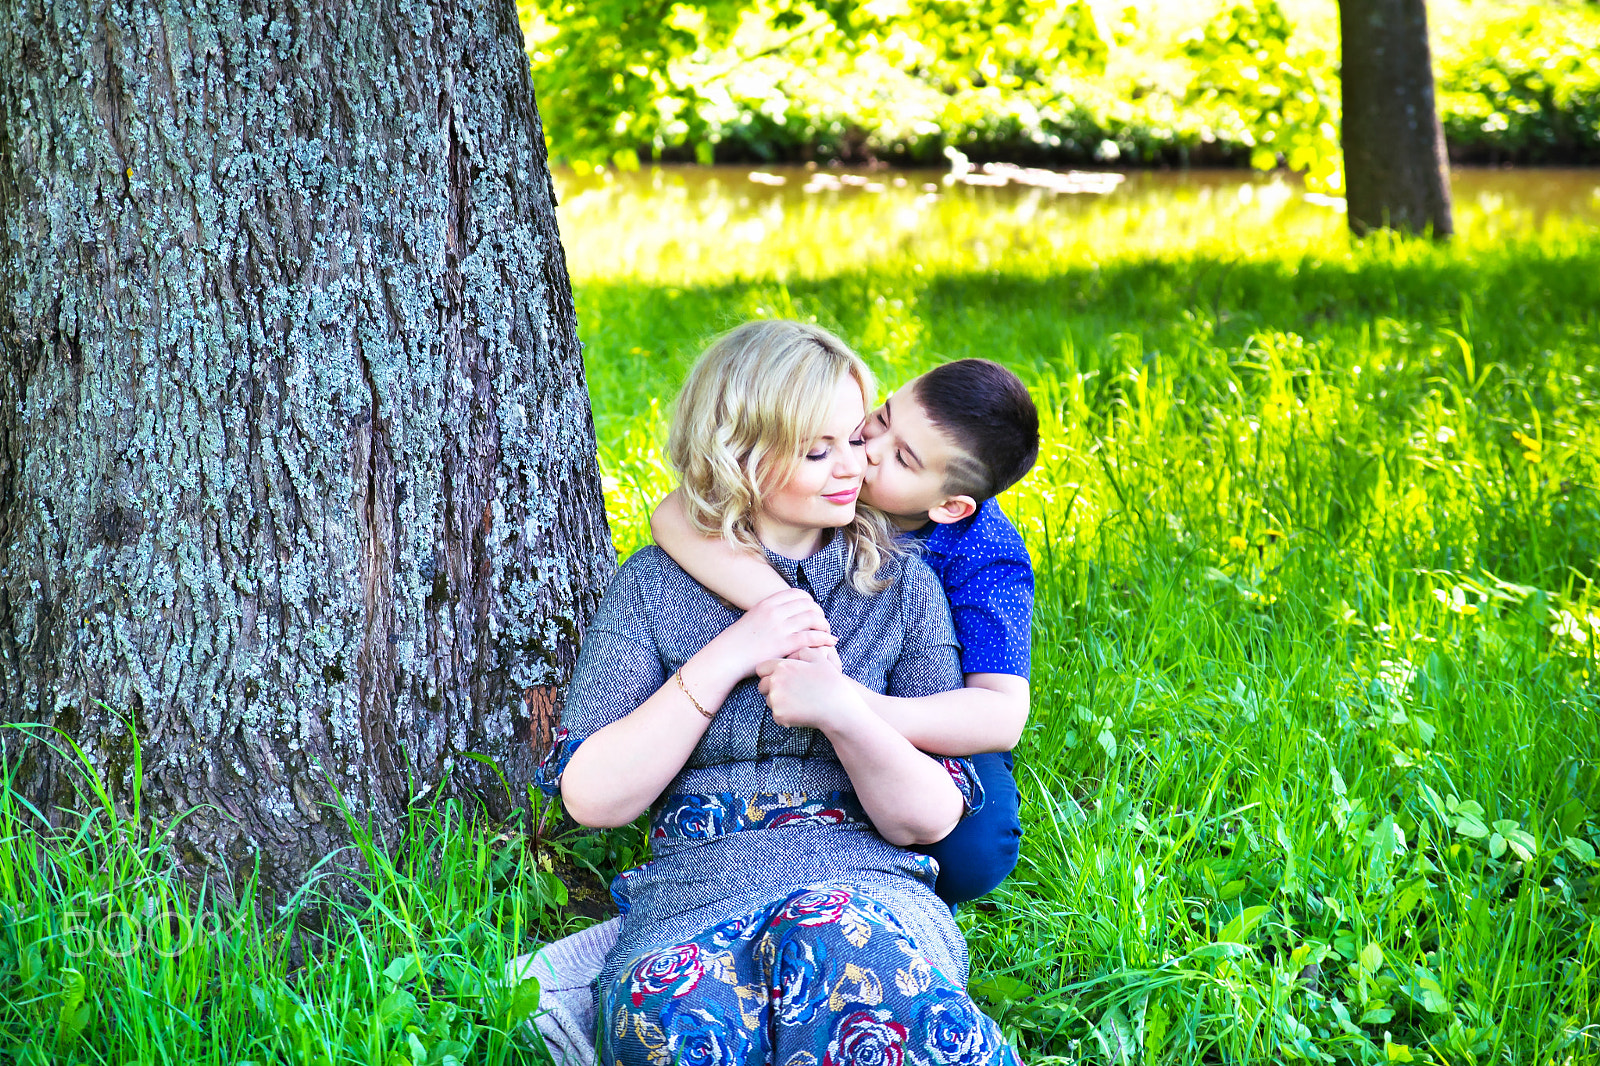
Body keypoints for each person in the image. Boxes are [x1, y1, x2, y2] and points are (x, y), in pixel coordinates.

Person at [533, 320, 1019, 1066]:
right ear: (738, 453)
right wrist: (731, 653)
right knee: (670, 1016)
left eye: (855, 439)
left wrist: (839, 707)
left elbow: (927, 817)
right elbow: (592, 799)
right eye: (816, 450)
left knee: (839, 947)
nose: (852, 468)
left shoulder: (905, 586)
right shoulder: (652, 587)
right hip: (693, 894)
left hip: (857, 881)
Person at [653, 357, 1039, 907]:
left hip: (923, 705)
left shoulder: (986, 554)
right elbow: (673, 516)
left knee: (974, 852)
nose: (869, 451)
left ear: (949, 506)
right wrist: (793, 621)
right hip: (801, 690)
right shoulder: (835, 470)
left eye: (902, 458)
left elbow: (998, 716)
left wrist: (852, 703)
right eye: (880, 420)